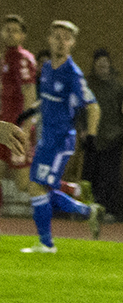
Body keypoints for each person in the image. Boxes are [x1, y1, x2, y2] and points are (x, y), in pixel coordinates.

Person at [19, 20, 103, 252]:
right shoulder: (46, 68)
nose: (60, 41)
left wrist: (91, 138)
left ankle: (46, 244)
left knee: (36, 187)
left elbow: (93, 106)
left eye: (66, 38)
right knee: (42, 188)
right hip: (46, 138)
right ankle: (87, 210)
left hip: (60, 140)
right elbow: (46, 100)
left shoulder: (73, 74)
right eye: (56, 36)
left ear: (73, 43)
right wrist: (31, 111)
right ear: (49, 39)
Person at [82, 48, 123, 218]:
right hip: (92, 137)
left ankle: (108, 210)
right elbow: (79, 109)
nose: (102, 67)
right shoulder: (87, 85)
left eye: (105, 64)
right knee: (89, 175)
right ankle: (87, 208)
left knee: (110, 177)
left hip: (113, 138)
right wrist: (82, 129)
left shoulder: (118, 86)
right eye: (99, 64)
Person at [3, 15, 40, 197]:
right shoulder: (4, 58)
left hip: (17, 129)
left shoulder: (22, 59)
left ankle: (70, 191)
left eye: (15, 31)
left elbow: (30, 95)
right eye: (7, 30)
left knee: (23, 184)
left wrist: (26, 129)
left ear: (23, 36)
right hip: (2, 128)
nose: (10, 34)